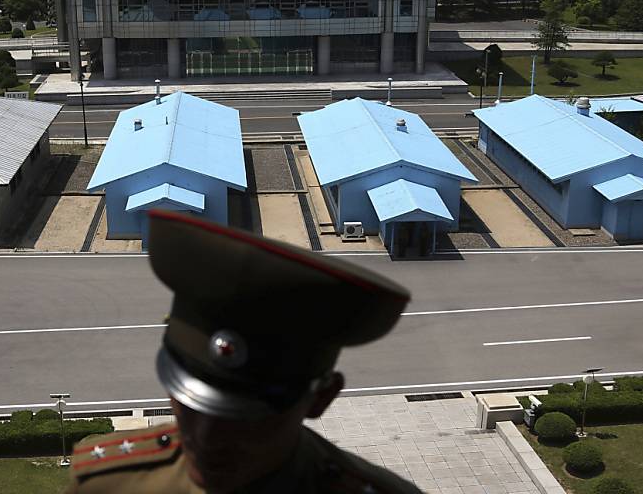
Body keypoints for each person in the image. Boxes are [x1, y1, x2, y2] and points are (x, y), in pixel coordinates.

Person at [65, 210, 421, 493]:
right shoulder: (108, 485)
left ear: (321, 399)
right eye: (190, 399)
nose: (205, 437)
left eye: (245, 417)